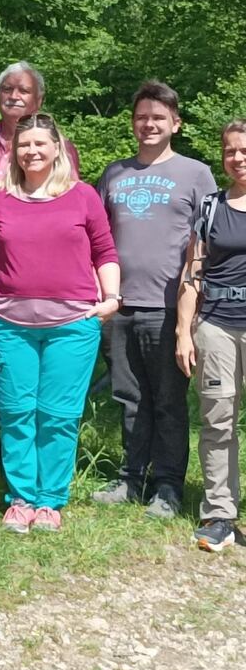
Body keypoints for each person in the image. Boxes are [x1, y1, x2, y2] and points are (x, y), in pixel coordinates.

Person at [0, 113, 119, 534]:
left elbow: (104, 251)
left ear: (57, 148)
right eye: (25, 145)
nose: (32, 151)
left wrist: (111, 299)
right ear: (14, 151)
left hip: (73, 325)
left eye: (40, 143)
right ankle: (21, 499)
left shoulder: (83, 196)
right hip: (10, 324)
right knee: (16, 411)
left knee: (58, 415)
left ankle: (49, 502)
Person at [0, 61, 81, 475]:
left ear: (39, 99)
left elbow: (74, 208)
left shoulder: (60, 147)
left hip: (36, 280)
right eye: (7, 89)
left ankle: (32, 462)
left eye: (23, 90)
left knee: (33, 375)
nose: (14, 96)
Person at [94, 81, 215, 519]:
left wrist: (192, 315)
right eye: (142, 117)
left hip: (169, 308)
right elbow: (96, 238)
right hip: (119, 306)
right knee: (129, 398)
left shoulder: (196, 174)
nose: (149, 124)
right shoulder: (114, 173)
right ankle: (131, 479)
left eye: (158, 118)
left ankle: (167, 485)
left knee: (167, 402)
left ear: (175, 124)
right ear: (133, 123)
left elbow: (207, 243)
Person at [176, 120, 246, 553]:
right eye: (230, 151)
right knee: (218, 421)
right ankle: (220, 514)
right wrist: (184, 332)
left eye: (244, 150)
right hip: (217, 325)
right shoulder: (211, 207)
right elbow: (192, 274)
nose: (237, 158)